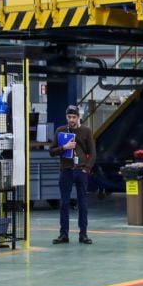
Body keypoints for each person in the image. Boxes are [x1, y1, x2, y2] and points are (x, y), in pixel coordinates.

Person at [49, 105, 96, 244]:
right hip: (66, 171)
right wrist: (64, 147)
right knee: (64, 203)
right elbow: (51, 151)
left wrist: (87, 168)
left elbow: (93, 152)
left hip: (80, 171)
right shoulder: (60, 131)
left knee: (82, 203)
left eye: (74, 117)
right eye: (69, 117)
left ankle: (83, 234)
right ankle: (64, 234)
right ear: (66, 117)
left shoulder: (86, 131)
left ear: (78, 117)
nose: (71, 120)